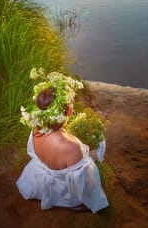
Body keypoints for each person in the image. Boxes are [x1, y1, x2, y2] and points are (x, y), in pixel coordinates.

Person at [16, 68, 108, 213]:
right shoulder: (71, 147)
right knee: (99, 145)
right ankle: (74, 203)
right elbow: (84, 184)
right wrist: (88, 159)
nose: (73, 100)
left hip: (45, 165)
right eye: (71, 101)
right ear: (66, 110)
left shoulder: (37, 126)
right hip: (62, 185)